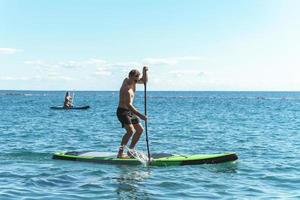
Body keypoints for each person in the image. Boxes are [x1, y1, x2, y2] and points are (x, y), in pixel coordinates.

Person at [116, 66, 148, 158]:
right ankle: (120, 153)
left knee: (140, 130)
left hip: (129, 111)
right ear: (129, 77)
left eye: (137, 80)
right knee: (130, 131)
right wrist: (141, 116)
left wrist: (144, 71)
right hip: (122, 111)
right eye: (135, 80)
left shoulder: (133, 81)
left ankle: (131, 150)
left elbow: (144, 81)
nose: (136, 82)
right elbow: (129, 105)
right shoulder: (126, 89)